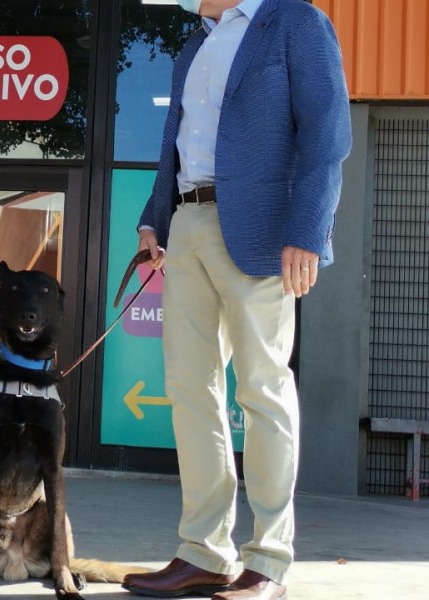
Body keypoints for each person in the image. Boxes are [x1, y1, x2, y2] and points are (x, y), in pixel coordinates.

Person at [122, 1, 350, 599]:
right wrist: (154, 220)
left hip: (264, 230)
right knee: (190, 390)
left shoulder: (295, 22)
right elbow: (177, 142)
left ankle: (269, 559)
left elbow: (328, 130)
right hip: (189, 223)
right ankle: (203, 551)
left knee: (262, 389)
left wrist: (308, 230)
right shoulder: (192, 47)